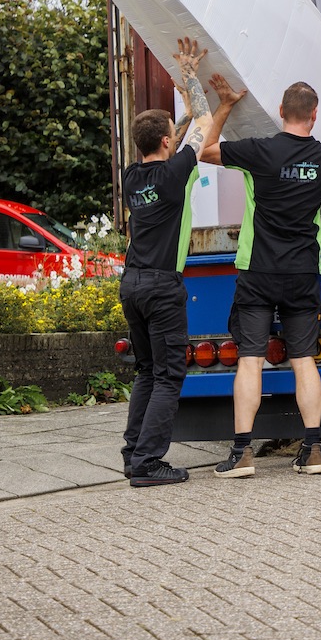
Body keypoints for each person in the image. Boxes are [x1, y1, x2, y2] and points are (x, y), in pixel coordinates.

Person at [200, 81, 321, 478]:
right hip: (303, 271)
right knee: (304, 360)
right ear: (315, 114)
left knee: (250, 360)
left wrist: (224, 107)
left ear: (280, 110)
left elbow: (205, 151)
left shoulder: (259, 150)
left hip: (258, 271)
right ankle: (314, 450)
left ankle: (241, 455)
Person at [119, 38, 245, 487]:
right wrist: (190, 73)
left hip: (131, 285)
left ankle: (134, 454)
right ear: (169, 142)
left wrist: (184, 110)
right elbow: (205, 121)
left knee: (146, 371)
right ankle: (150, 463)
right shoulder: (176, 174)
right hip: (161, 287)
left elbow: (188, 126)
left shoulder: (134, 178)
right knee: (170, 375)